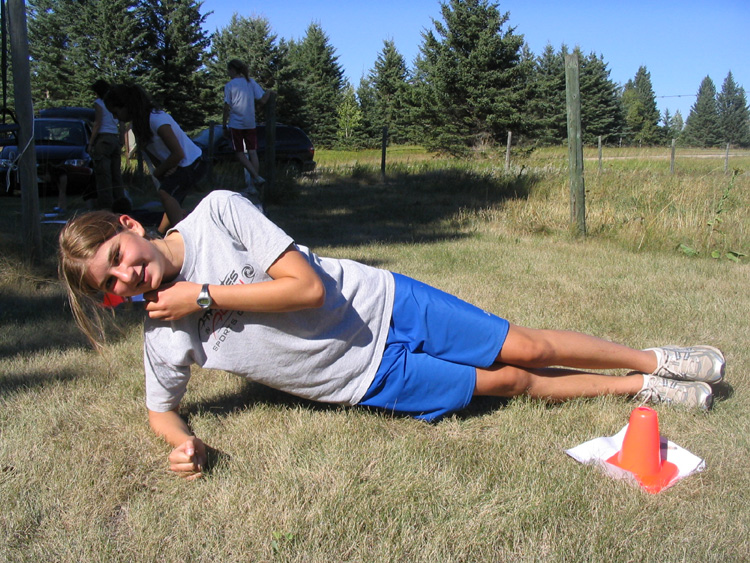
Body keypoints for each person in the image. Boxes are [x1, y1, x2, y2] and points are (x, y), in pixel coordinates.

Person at [58, 190, 726, 481]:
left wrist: (203, 295)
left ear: (129, 226)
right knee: (512, 382)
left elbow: (306, 288)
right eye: (109, 284)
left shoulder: (218, 215)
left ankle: (657, 355)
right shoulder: (164, 332)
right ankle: (641, 386)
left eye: (117, 256)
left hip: (383, 304)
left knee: (526, 346)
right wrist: (183, 442)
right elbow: (159, 408)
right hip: (366, 378)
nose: (125, 275)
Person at [104, 83, 206, 234]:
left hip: (193, 163)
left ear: (127, 106)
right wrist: (165, 170)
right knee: (169, 202)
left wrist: (159, 172)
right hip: (179, 165)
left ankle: (184, 236)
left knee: (165, 194)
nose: (115, 117)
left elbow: (178, 153)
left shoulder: (157, 119)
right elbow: (154, 154)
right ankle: (161, 234)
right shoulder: (139, 125)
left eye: (116, 112)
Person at [222, 59, 273, 194]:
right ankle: (254, 186)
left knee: (239, 153)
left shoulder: (230, 85)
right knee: (252, 152)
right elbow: (262, 100)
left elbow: (226, 107)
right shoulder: (250, 82)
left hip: (236, 123)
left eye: (229, 70)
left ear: (233, 70)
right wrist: (269, 91)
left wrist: (224, 125)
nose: (228, 73)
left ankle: (256, 177)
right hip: (250, 122)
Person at [87, 80, 126, 211]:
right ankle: (121, 204)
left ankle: (106, 207)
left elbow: (98, 123)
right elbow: (122, 122)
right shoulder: (115, 103)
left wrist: (91, 142)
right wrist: (121, 138)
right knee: (116, 174)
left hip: (103, 138)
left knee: (104, 176)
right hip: (114, 138)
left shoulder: (99, 103)